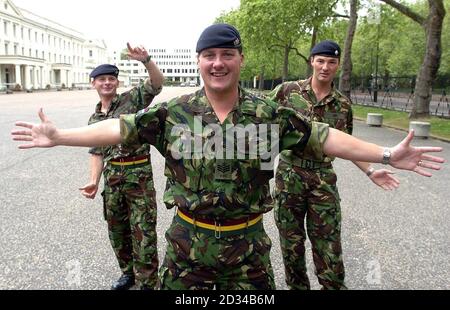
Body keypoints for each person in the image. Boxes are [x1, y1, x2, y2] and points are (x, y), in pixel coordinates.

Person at [11, 24, 444, 290]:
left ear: (239, 59)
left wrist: (386, 154)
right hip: (186, 249)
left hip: (248, 250)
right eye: (209, 55)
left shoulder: (267, 113)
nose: (218, 63)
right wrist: (60, 135)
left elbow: (325, 137)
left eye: (227, 55)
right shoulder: (173, 112)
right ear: (199, 61)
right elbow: (119, 128)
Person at [267, 40, 400, 290]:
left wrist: (371, 170)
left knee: (328, 246)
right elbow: (262, 126)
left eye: (331, 62)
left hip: (323, 180)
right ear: (311, 61)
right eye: (320, 61)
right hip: (289, 176)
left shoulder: (343, 104)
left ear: (338, 65)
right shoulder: (287, 92)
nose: (325, 67)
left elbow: (346, 144)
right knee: (291, 244)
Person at [78, 44, 164, 290]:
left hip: (138, 179)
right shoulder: (94, 120)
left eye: (111, 79)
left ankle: (148, 281)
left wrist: (146, 60)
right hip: (113, 180)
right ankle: (129, 273)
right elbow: (96, 152)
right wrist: (94, 180)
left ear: (117, 82)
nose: (107, 83)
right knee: (118, 231)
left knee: (144, 231)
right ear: (93, 83)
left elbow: (157, 84)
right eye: (102, 79)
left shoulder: (132, 99)